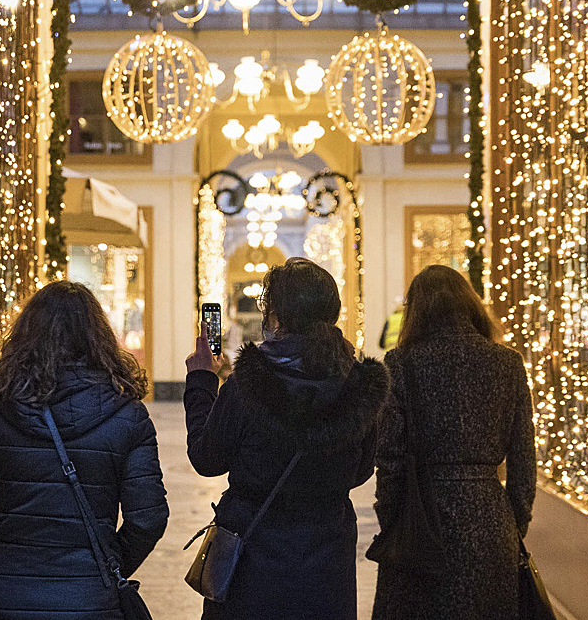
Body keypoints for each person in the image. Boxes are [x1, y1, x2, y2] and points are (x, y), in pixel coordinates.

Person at [0, 280, 168, 620]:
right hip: (90, 601)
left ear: (25, 335)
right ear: (99, 338)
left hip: (6, 598)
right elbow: (147, 517)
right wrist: (107, 562)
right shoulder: (127, 416)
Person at [185, 258, 389, 620]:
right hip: (326, 554)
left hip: (252, 552)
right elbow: (360, 470)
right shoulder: (359, 385)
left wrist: (202, 380)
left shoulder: (248, 383)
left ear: (276, 316)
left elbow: (207, 459)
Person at [370, 265, 535, 620]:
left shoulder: (401, 364)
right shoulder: (507, 363)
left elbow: (390, 459)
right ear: (471, 305)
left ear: (416, 312)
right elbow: (524, 456)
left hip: (422, 517)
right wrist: (513, 521)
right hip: (489, 515)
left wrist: (392, 519)